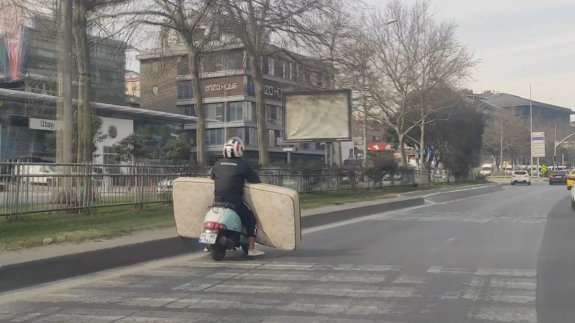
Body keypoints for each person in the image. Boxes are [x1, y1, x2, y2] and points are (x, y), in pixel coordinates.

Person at [209, 137, 265, 256]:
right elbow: (256, 181)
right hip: (235, 202)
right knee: (251, 219)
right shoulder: (244, 165)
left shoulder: (217, 164)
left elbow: (212, 177)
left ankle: (208, 244)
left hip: (217, 201)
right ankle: (251, 248)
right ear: (240, 150)